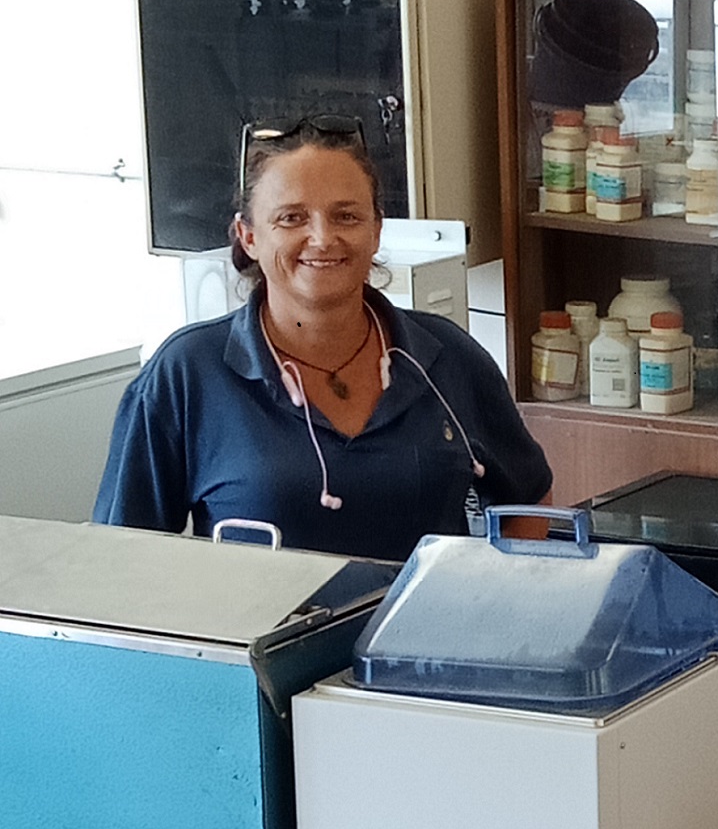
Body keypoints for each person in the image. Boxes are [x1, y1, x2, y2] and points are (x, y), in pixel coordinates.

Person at [95, 118, 550, 563]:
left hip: (422, 640)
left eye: (346, 216)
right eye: (291, 218)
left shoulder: (447, 355)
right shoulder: (186, 374)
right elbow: (123, 559)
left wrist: (495, 601)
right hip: (261, 640)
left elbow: (529, 499)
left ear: (376, 231)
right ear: (249, 236)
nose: (322, 237)